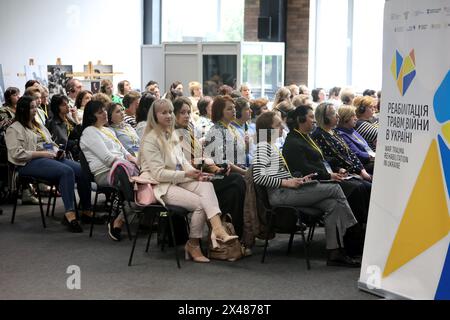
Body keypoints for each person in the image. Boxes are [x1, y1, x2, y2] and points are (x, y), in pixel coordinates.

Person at [253, 111, 360, 267]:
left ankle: (334, 252)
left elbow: (276, 175)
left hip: (285, 191)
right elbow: (259, 178)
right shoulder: (264, 148)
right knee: (335, 188)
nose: (282, 126)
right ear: (268, 130)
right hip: (281, 195)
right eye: (278, 125)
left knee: (333, 204)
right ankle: (354, 227)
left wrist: (294, 180)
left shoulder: (271, 146)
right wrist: (287, 183)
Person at [139, 98, 238, 263]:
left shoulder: (169, 134)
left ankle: (218, 229)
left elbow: (183, 163)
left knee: (206, 186)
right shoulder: (151, 139)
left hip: (175, 179)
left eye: (170, 111)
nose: (169, 115)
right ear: (154, 116)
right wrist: (187, 175)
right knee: (200, 204)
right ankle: (194, 244)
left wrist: (196, 174)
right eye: (164, 112)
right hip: (159, 186)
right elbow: (158, 175)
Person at [5, 96, 93, 232]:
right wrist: (42, 154)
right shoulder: (14, 129)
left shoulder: (38, 125)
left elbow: (50, 143)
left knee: (82, 170)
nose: (35, 110)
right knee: (66, 171)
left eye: (35, 107)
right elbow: (16, 154)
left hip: (50, 157)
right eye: (32, 107)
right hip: (27, 162)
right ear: (23, 110)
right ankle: (70, 214)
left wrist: (58, 151)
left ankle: (86, 211)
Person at [282, 104, 371, 229]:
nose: (313, 120)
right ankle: (354, 229)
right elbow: (305, 168)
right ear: (300, 119)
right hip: (313, 181)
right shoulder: (292, 142)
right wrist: (329, 175)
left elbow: (321, 158)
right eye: (311, 117)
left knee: (363, 186)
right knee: (357, 188)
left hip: (324, 175)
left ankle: (362, 228)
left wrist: (337, 167)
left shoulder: (305, 136)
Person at [173, 97, 246, 237]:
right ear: (174, 114)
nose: (187, 116)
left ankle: (236, 235)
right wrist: (205, 164)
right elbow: (184, 164)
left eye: (188, 112)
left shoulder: (188, 131)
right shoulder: (173, 135)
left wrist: (217, 169)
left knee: (234, 191)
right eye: (183, 112)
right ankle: (236, 234)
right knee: (237, 180)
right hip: (189, 180)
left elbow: (205, 159)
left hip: (205, 175)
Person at [80, 100, 139, 241]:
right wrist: (128, 164)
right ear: (91, 116)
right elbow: (107, 158)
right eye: (100, 112)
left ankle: (125, 214)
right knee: (135, 184)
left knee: (146, 176)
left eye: (104, 110)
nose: (104, 113)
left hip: (122, 168)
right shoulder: (89, 132)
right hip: (105, 172)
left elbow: (126, 153)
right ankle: (130, 209)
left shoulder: (108, 130)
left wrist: (140, 163)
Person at [204, 96, 247, 176]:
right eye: (229, 109)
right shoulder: (216, 130)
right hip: (225, 173)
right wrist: (244, 172)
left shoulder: (232, 128)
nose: (234, 110)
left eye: (234, 108)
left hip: (240, 169)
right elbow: (221, 160)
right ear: (220, 112)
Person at [336, 105, 375, 174]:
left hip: (369, 159)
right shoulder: (341, 134)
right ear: (346, 118)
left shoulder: (351, 129)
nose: (356, 118)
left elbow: (365, 145)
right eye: (353, 116)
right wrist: (373, 156)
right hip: (361, 166)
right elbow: (357, 154)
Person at [46, 94, 82, 160]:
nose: (68, 106)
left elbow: (81, 134)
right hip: (60, 156)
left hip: (72, 153)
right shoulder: (53, 123)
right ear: (57, 107)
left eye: (67, 103)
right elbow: (57, 144)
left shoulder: (67, 118)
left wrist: (76, 118)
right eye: (64, 105)